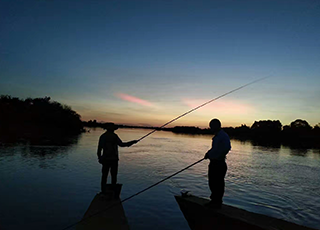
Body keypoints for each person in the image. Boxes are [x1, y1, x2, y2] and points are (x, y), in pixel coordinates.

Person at [97, 122, 138, 193]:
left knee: (104, 176)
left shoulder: (103, 136)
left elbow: (99, 149)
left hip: (105, 159)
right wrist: (132, 142)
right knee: (114, 176)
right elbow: (121, 144)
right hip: (113, 159)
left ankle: (103, 191)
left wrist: (99, 158)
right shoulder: (114, 136)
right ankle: (113, 192)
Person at [204, 118, 231, 208]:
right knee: (213, 183)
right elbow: (215, 149)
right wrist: (208, 154)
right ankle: (215, 201)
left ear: (216, 126)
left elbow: (227, 148)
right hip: (215, 163)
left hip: (218, 163)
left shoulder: (222, 136)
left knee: (217, 183)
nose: (210, 129)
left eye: (211, 127)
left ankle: (216, 202)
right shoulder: (219, 136)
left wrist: (217, 156)